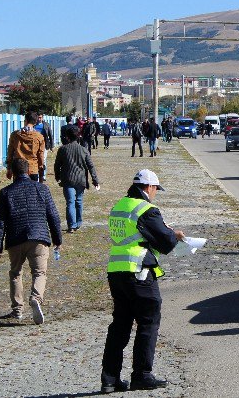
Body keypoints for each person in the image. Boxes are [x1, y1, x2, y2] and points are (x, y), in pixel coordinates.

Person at [100, 169, 184, 393]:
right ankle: (142, 375)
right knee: (148, 322)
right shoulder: (147, 210)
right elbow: (165, 244)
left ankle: (109, 379)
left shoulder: (119, 206)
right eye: (156, 189)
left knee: (120, 325)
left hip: (116, 270)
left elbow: (132, 236)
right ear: (149, 188)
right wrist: (173, 235)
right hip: (139, 272)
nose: (156, 193)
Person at [0, 158, 62, 324]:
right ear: (29, 171)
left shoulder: (5, 192)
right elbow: (53, 215)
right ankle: (36, 298)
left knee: (15, 273)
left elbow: (0, 221)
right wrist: (57, 238)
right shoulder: (42, 189)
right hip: (39, 237)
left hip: (15, 238)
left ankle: (17, 309)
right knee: (39, 272)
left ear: (12, 173)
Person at [53, 127, 100, 233]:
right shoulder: (84, 150)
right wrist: (95, 180)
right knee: (79, 201)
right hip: (80, 179)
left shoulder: (63, 149)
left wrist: (58, 176)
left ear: (67, 137)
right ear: (79, 136)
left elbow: (57, 165)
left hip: (68, 179)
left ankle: (71, 225)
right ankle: (78, 223)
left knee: (70, 202)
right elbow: (90, 166)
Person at [6, 112, 46, 182]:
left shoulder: (14, 135)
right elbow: (41, 155)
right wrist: (41, 172)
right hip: (33, 169)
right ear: (35, 122)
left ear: (25, 120)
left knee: (19, 192)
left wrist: (9, 168)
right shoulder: (39, 137)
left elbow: (10, 153)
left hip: (18, 169)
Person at [34, 113, 54, 181]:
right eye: (38, 117)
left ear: (42, 118)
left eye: (40, 118)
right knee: (36, 159)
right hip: (35, 145)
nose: (39, 119)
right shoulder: (34, 125)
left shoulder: (46, 125)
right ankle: (37, 174)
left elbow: (50, 135)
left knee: (43, 159)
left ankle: (43, 175)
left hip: (45, 144)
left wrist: (52, 145)